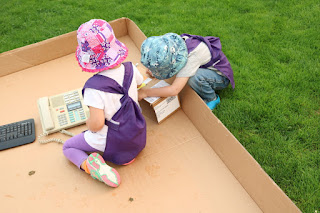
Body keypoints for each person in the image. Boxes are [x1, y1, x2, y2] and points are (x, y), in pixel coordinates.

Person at [63, 19, 146, 188]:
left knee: (68, 147)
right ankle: (121, 159)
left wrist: (88, 123)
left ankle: (90, 166)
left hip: (113, 142)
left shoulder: (94, 89)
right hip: (137, 137)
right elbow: (140, 85)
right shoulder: (131, 68)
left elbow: (96, 125)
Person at [138, 33, 235, 110]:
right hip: (203, 67)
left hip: (220, 77)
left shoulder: (193, 57)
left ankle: (212, 98)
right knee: (191, 75)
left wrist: (146, 92)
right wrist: (157, 71)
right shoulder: (174, 44)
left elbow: (174, 90)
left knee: (194, 78)